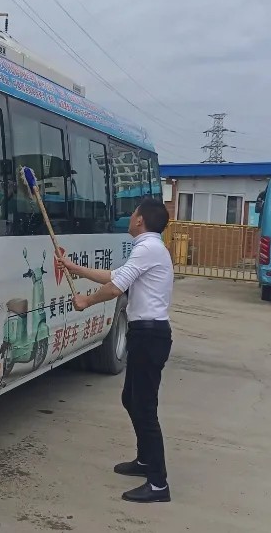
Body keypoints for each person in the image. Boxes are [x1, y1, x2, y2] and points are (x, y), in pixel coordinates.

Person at [56, 198, 174, 503]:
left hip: (150, 335)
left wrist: (86, 301)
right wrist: (75, 268)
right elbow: (114, 276)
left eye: (133, 213)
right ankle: (145, 461)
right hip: (145, 333)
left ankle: (158, 484)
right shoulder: (149, 248)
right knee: (130, 398)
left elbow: (115, 288)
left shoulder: (147, 248)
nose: (130, 217)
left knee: (144, 407)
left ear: (140, 220)